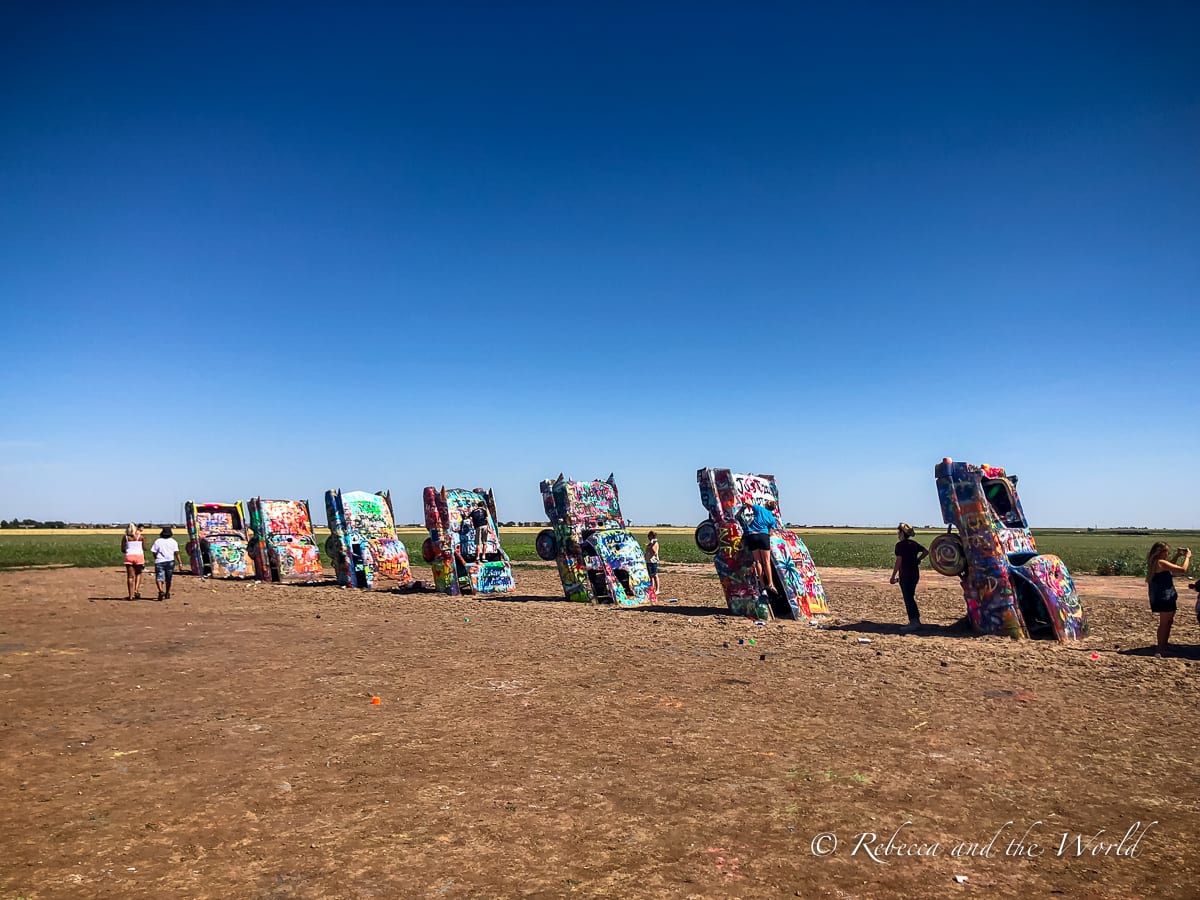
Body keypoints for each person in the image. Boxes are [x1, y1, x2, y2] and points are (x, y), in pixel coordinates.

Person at [1146, 542, 1192, 656]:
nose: (1168, 554)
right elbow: (1182, 569)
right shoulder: (1160, 562)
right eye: (1167, 552)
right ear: (1162, 552)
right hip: (1164, 597)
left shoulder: (1156, 562)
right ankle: (1161, 648)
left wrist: (1177, 556)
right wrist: (1187, 557)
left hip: (1161, 596)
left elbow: (1169, 566)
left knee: (1167, 622)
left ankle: (1163, 645)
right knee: (1165, 623)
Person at [889, 523, 929, 632]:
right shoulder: (914, 544)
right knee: (911, 597)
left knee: (908, 599)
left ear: (902, 533)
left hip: (905, 575)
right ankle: (916, 621)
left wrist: (893, 576)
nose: (898, 534)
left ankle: (914, 622)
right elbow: (926, 551)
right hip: (915, 574)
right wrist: (918, 560)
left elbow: (898, 562)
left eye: (899, 532)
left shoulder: (900, 546)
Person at [739, 499, 779, 597]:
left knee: (757, 562)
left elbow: (747, 501)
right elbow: (771, 531)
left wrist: (744, 506)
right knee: (766, 562)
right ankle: (770, 584)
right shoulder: (772, 517)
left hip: (752, 535)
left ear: (766, 505)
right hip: (764, 537)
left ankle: (762, 586)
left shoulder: (759, 509)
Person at [150, 527, 181, 601]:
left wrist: (156, 557)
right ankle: (167, 592)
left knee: (159, 577)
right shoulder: (173, 541)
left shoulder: (158, 541)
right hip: (170, 561)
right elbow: (176, 553)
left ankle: (161, 590)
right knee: (168, 579)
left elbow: (154, 551)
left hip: (160, 561)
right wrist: (180, 562)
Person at [121, 523, 145, 600]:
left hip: (129, 556)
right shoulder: (140, 537)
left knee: (130, 576)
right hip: (139, 556)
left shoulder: (125, 537)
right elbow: (144, 547)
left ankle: (131, 595)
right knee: (138, 573)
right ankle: (136, 590)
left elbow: (122, 549)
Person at [645, 530, 660, 595]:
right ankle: (652, 588)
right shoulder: (650, 543)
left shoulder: (655, 543)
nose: (649, 537)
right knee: (650, 576)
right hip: (648, 561)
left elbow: (654, 552)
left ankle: (657, 590)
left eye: (650, 536)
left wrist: (651, 545)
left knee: (655, 575)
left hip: (653, 561)